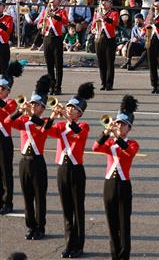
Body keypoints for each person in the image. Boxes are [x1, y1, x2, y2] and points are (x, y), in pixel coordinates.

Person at [44, 82, 95, 259]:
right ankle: (68, 245)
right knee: (66, 210)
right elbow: (45, 130)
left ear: (80, 113)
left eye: (73, 108)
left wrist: (66, 118)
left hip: (76, 171)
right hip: (62, 170)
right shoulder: (59, 127)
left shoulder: (83, 125)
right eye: (69, 107)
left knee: (77, 210)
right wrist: (52, 115)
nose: (69, 109)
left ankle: (79, 245)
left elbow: (77, 133)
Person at [4, 75, 52, 240]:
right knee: (27, 196)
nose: (33, 106)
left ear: (42, 108)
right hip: (24, 161)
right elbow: (7, 121)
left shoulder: (43, 121)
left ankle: (40, 227)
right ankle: (31, 226)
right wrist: (19, 111)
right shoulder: (24, 120)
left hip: (38, 162)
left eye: (36, 104)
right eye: (32, 103)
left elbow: (44, 129)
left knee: (39, 197)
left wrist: (30, 115)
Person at [92, 95, 139, 260]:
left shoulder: (132, 143)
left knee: (124, 225)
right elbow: (96, 147)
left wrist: (117, 137)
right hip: (109, 185)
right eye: (118, 123)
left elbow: (129, 152)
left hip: (124, 185)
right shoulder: (110, 143)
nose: (119, 126)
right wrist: (106, 132)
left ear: (129, 128)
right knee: (112, 224)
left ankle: (124, 256)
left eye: (123, 124)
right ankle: (114, 256)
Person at [0, 61, 24, 215]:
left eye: (2, 89)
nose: (0, 90)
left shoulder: (11, 102)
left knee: (6, 172)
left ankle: (7, 201)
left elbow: (8, 111)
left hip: (4, 140)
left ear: (8, 91)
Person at [38, 0, 68, 95]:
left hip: (57, 39)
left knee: (58, 64)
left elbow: (65, 21)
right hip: (47, 38)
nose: (52, 0)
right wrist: (41, 24)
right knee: (49, 64)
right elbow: (40, 23)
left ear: (58, 2)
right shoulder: (45, 11)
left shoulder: (61, 11)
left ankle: (58, 87)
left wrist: (54, 16)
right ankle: (51, 86)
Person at [92, 0, 120, 91]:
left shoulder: (113, 13)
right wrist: (93, 30)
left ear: (110, 4)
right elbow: (93, 25)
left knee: (109, 62)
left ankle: (109, 83)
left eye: (106, 1)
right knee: (101, 62)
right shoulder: (97, 13)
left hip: (109, 39)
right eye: (102, 1)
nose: (103, 3)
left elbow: (115, 23)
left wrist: (106, 18)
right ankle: (103, 82)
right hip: (99, 39)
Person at [0, 0, 14, 74]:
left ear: (4, 7)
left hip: (3, 46)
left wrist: (1, 25)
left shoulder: (8, 18)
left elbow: (9, 31)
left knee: (3, 69)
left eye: (0, 5)